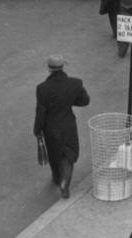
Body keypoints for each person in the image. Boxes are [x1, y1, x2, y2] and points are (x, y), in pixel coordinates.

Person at [34, 55, 90, 199]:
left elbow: (41, 111)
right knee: (69, 155)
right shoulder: (75, 83)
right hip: (68, 125)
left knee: (54, 155)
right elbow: (84, 101)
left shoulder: (42, 89)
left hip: (50, 128)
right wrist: (68, 102)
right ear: (63, 66)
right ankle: (65, 181)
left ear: (49, 69)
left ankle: (57, 178)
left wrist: (37, 129)